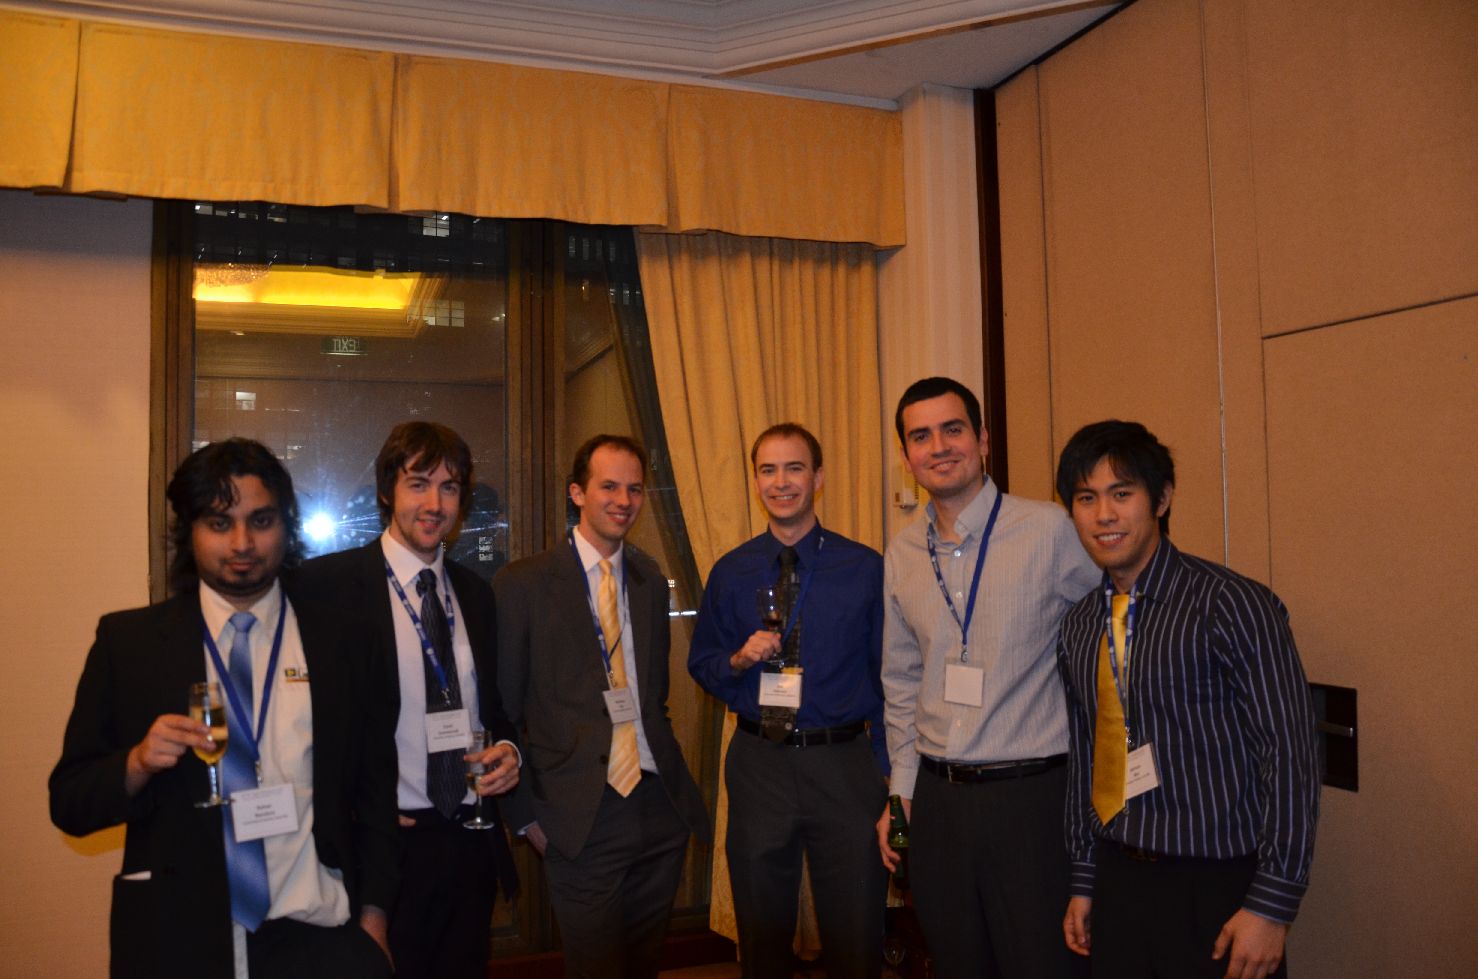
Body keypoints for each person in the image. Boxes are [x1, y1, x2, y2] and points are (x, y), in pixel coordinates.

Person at [50, 438, 398, 979]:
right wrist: (137, 762)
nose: (242, 543)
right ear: (189, 532)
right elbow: (70, 803)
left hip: (319, 935)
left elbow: (377, 798)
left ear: (287, 526)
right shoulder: (129, 645)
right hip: (179, 941)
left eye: (261, 521)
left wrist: (373, 922)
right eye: (219, 523)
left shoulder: (346, 642)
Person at [1054, 420, 1319, 979]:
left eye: (1121, 494)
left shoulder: (1231, 604)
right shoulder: (1078, 625)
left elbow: (1290, 754)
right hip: (1119, 880)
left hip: (1217, 887)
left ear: (1162, 499)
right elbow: (1086, 758)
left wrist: (1272, 905)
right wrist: (1085, 878)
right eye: (1086, 498)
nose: (1103, 515)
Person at [876, 377, 1099, 978]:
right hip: (938, 803)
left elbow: (1112, 639)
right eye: (920, 436)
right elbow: (901, 683)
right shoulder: (901, 554)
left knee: (1042, 964)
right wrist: (901, 797)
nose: (938, 447)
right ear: (906, 456)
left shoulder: (1050, 531)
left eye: (952, 429)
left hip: (1030, 799)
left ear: (982, 439)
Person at [291, 421, 520, 979]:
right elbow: (294, 719)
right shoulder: (325, 588)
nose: (434, 504)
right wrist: (347, 808)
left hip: (467, 840)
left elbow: (490, 708)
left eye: (449, 488)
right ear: (387, 491)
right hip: (381, 844)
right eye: (419, 484)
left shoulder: (475, 594)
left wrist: (509, 750)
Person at [494, 434, 709, 978]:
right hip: (579, 815)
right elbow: (503, 710)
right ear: (577, 493)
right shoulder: (524, 584)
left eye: (634, 489)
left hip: (658, 807)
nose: (624, 500)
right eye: (609, 486)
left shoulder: (649, 580)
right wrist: (525, 816)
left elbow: (653, 699)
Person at [689, 423, 887, 978]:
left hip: (844, 764)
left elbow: (889, 678)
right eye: (768, 470)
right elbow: (702, 663)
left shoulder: (865, 568)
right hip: (760, 764)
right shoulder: (730, 571)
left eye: (794, 468)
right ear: (756, 481)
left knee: (856, 930)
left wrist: (892, 776)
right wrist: (737, 660)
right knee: (762, 933)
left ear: (818, 478)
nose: (781, 482)